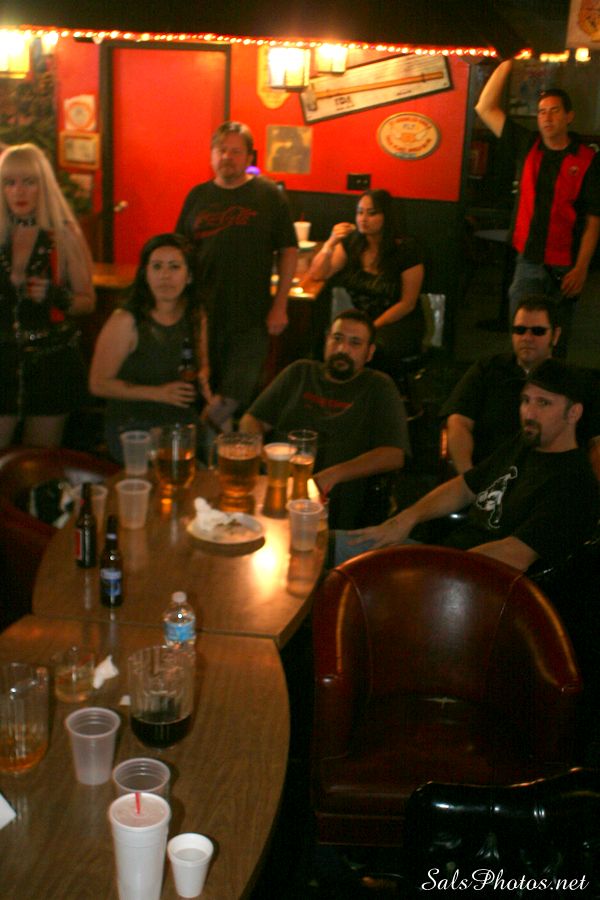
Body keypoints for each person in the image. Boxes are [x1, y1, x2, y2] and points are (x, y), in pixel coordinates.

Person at [334, 359, 599, 572]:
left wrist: (433, 567)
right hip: (448, 560)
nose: (529, 413)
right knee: (326, 543)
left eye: (543, 403)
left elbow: (516, 554)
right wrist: (405, 519)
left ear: (573, 412)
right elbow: (465, 487)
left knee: (343, 565)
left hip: (474, 586)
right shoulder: (524, 443)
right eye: (525, 400)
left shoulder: (574, 483)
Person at [175, 121, 298, 428]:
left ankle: (197, 438)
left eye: (235, 151)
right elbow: (179, 251)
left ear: (249, 157)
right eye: (221, 150)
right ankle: (216, 447)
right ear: (211, 154)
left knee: (234, 393)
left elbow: (288, 250)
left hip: (251, 313)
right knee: (203, 388)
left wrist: (280, 304)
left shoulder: (268, 195)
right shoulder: (197, 196)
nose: (227, 157)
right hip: (202, 313)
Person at [239, 308, 409, 529]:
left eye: (355, 343)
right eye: (337, 338)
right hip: (278, 489)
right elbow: (251, 420)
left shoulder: (378, 386)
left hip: (340, 501)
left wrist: (331, 475)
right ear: (326, 340)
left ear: (369, 353)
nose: (342, 349)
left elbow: (394, 455)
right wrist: (264, 457)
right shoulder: (299, 372)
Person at [474, 60, 600, 353]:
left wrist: (582, 268)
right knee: (523, 336)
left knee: (557, 340)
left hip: (565, 266)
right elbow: (484, 108)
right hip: (528, 260)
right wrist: (508, 61)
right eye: (542, 112)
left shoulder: (587, 160)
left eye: (554, 111)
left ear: (569, 116)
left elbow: (594, 221)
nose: (547, 117)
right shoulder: (528, 144)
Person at [440, 295, 600, 479]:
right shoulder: (487, 370)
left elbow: (596, 441)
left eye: (538, 331)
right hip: (487, 478)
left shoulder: (577, 381)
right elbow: (458, 421)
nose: (527, 338)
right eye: (519, 330)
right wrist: (470, 480)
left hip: (551, 483)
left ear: (555, 335)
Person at [0, 142, 95, 448]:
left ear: (43, 186)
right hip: (3, 362)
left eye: (29, 182)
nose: (19, 191)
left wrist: (56, 296)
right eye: (10, 182)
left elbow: (87, 301)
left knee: (38, 463)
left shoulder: (63, 235)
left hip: (50, 363)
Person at [89, 233, 211, 463]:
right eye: (156, 267)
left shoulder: (195, 315)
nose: (165, 275)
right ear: (145, 274)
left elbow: (202, 365)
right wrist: (159, 393)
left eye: (174, 267)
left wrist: (204, 380)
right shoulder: (126, 320)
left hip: (180, 419)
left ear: (189, 276)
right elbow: (98, 384)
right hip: (133, 423)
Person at [309, 188, 425, 379]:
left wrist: (370, 327)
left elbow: (407, 304)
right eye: (360, 212)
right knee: (325, 343)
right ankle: (330, 389)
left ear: (386, 216)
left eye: (371, 213)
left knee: (373, 350)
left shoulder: (406, 250)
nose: (363, 219)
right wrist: (330, 243)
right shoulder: (352, 244)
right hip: (363, 322)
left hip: (399, 323)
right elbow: (317, 274)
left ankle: (376, 392)